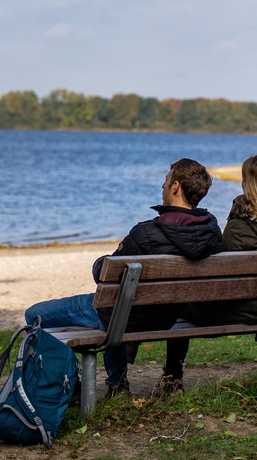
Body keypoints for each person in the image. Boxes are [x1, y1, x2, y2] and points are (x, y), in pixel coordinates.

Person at [24, 158, 224, 397]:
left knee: (34, 314)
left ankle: (76, 384)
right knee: (119, 305)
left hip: (125, 315)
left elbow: (104, 275)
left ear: (175, 187)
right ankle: (118, 385)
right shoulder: (211, 231)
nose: (162, 186)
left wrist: (100, 262)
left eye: (166, 180)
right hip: (169, 316)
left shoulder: (147, 233)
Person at [158, 154, 257, 395]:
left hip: (229, 309)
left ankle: (173, 378)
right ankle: (172, 377)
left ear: (246, 182)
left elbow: (221, 272)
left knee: (175, 301)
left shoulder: (239, 226)